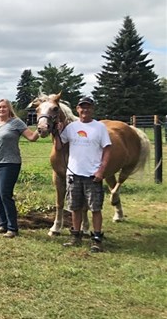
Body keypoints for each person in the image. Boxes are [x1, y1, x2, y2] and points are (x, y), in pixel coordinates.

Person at [56, 96, 111, 252]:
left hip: (92, 175)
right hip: (74, 174)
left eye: (88, 107)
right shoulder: (71, 127)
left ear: (92, 109)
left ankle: (97, 238)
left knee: (95, 208)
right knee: (75, 207)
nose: (85, 110)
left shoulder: (99, 127)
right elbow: (59, 146)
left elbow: (107, 149)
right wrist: (58, 132)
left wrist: (102, 170)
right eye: (82, 107)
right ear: (77, 109)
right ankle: (76, 235)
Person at [0, 99, 39, 238]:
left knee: (5, 194)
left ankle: (12, 228)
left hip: (10, 163)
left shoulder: (16, 122)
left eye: (4, 107)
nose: (1, 110)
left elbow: (32, 137)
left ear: (9, 109)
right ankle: (2, 225)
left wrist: (41, 128)